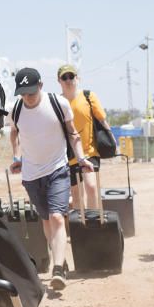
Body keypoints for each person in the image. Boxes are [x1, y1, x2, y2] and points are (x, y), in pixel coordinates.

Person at [10, 67, 93, 290]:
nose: (27, 97)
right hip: (31, 175)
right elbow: (14, 133)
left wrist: (82, 158)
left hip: (57, 168)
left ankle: (57, 269)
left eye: (31, 92)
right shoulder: (16, 109)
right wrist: (17, 157)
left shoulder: (58, 103)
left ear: (41, 86)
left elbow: (73, 133)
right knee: (46, 220)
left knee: (57, 217)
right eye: (23, 93)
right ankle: (61, 259)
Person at [56, 63, 110, 208]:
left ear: (77, 78)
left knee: (91, 187)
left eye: (71, 76)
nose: (68, 80)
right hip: (70, 155)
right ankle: (80, 226)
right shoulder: (57, 102)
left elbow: (102, 119)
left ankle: (93, 222)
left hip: (90, 151)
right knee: (77, 196)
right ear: (59, 81)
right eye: (64, 77)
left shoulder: (88, 96)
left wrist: (112, 141)